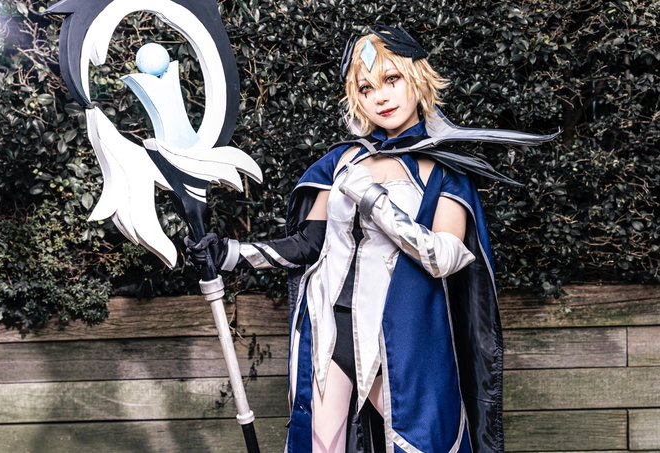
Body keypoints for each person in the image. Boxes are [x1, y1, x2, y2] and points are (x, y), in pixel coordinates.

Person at [186, 25, 556, 453]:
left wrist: (375, 202)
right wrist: (228, 253)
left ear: (416, 77)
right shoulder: (341, 161)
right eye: (366, 87)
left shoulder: (446, 172)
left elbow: (444, 257)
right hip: (330, 331)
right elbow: (308, 246)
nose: (381, 96)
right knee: (319, 445)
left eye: (391, 79)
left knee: (422, 445)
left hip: (403, 339)